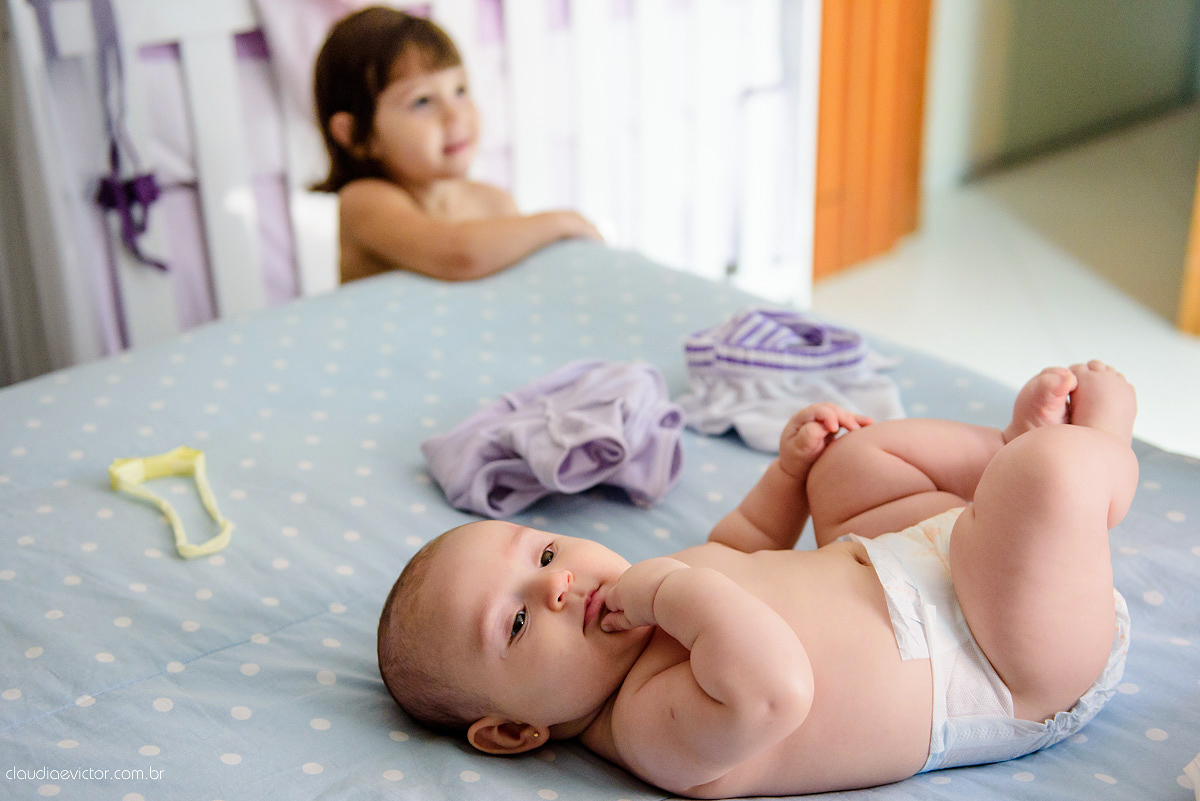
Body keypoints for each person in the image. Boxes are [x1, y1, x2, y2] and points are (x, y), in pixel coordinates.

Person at [377, 361, 1137, 797]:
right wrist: (668, 590)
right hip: (997, 660)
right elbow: (776, 687)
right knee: (1047, 474)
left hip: (916, 558)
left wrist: (789, 473)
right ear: (514, 731)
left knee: (852, 464)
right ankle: (1092, 453)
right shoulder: (648, 728)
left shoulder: (639, 606)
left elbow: (739, 547)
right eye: (515, 625)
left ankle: (1001, 459)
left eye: (543, 554)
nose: (557, 586)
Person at [312, 7, 602, 284]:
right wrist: (563, 222)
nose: (455, 115)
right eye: (422, 101)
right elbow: (457, 257)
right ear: (354, 135)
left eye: (460, 91)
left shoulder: (494, 202)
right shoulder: (364, 201)